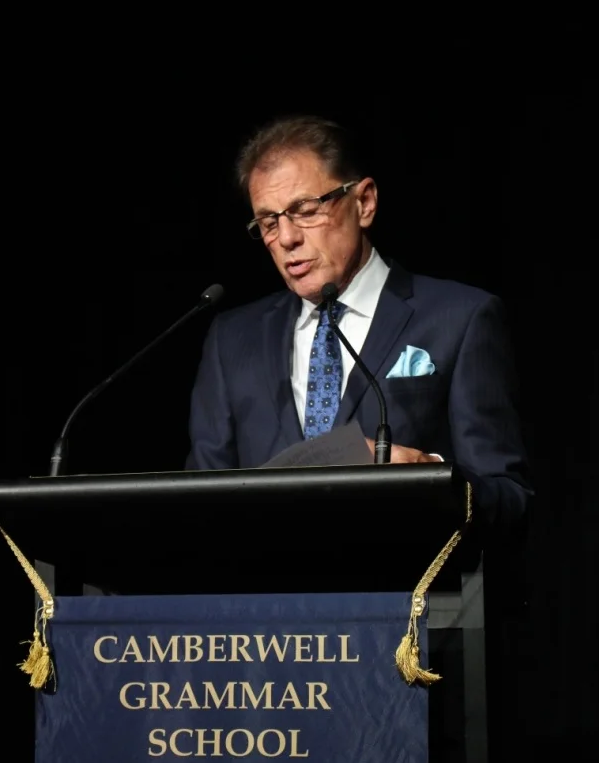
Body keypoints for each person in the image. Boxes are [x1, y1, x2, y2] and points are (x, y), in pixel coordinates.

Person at [185, 115, 531, 527]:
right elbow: (197, 505)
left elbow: (510, 498)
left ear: (363, 202)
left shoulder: (460, 319)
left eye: (305, 210)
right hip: (268, 590)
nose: (287, 238)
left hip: (398, 586)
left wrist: (428, 471)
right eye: (268, 222)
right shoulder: (232, 341)